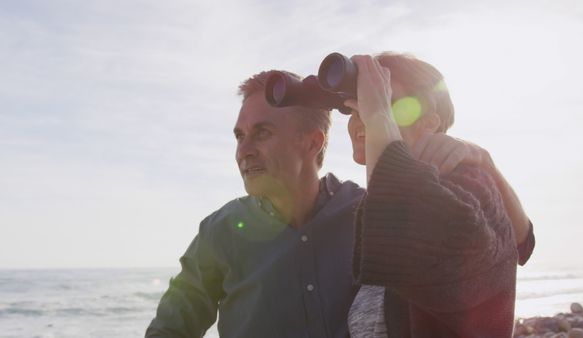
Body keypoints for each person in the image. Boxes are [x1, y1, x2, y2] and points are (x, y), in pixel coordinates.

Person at [146, 66, 534, 337]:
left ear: (313, 142)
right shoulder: (220, 232)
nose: (244, 150)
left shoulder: (374, 213)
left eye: (261, 133)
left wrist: (484, 161)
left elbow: (516, 244)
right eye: (239, 136)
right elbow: (170, 329)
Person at [344, 52, 533, 338]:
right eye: (355, 108)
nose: (362, 115)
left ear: (429, 122)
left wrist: (378, 115)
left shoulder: (469, 188)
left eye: (384, 99)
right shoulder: (372, 207)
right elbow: (525, 240)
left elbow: (416, 238)